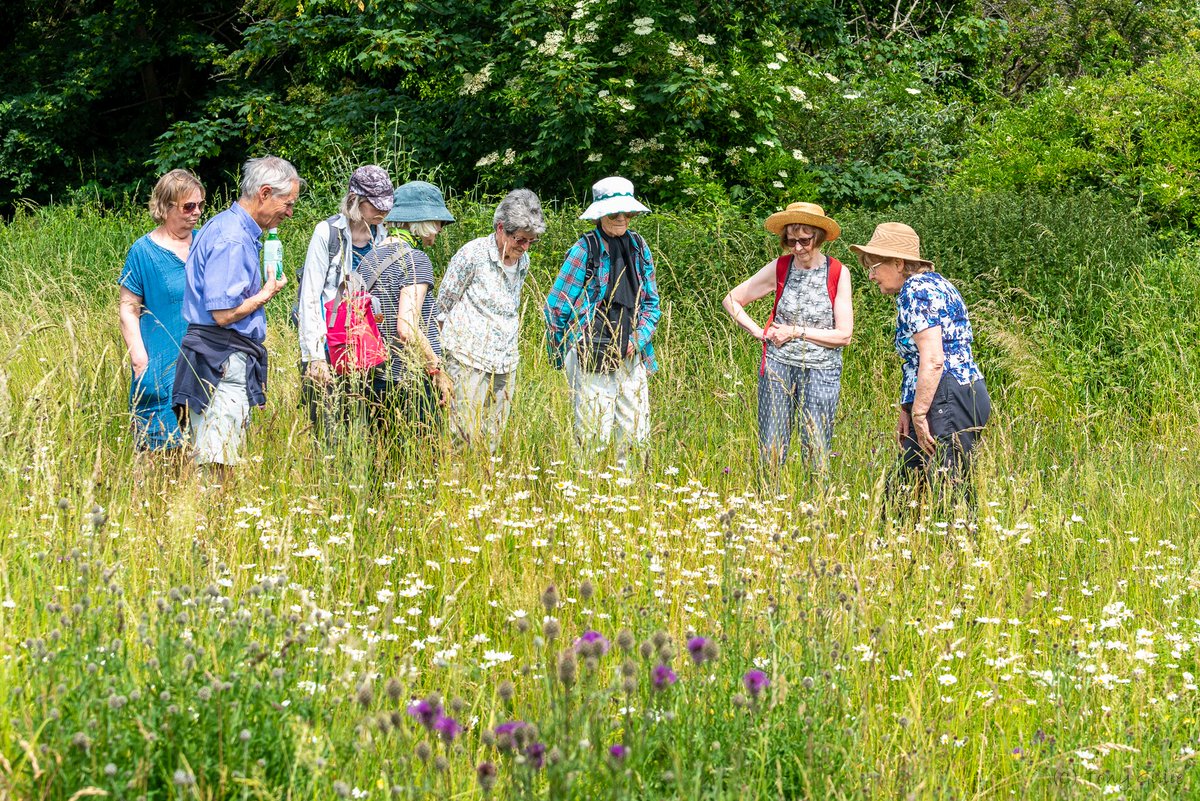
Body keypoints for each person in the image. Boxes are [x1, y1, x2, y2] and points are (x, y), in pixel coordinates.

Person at [172, 155, 301, 470]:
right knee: (218, 464)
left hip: (216, 355)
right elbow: (224, 314)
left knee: (213, 458)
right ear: (265, 193)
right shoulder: (233, 238)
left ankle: (206, 517)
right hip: (221, 357)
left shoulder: (226, 226)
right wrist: (267, 292)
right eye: (287, 203)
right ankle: (209, 519)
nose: (290, 212)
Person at [851, 222, 991, 503]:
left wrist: (920, 413)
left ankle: (959, 546)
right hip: (957, 392)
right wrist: (908, 408)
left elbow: (934, 359)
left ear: (898, 263)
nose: (871, 276)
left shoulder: (915, 291)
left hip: (945, 396)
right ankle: (896, 544)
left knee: (951, 492)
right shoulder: (937, 283)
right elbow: (918, 361)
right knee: (906, 487)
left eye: (874, 266)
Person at [722, 202, 852, 468]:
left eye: (805, 241)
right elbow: (731, 300)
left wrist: (796, 332)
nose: (798, 248)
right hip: (778, 368)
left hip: (822, 370)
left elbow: (844, 335)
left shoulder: (837, 272)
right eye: (791, 241)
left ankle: (816, 505)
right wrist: (759, 332)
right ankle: (768, 501)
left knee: (816, 448)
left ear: (819, 237)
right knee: (771, 445)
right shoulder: (781, 267)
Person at [544, 176, 661, 460]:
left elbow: (651, 302)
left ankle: (630, 493)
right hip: (591, 348)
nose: (621, 218)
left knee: (636, 434)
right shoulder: (584, 250)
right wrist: (557, 353)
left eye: (627, 212)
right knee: (593, 434)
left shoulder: (639, 246)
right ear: (600, 214)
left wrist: (638, 338)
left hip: (632, 351)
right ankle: (585, 493)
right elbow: (557, 307)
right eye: (614, 213)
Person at [438, 189, 545, 452]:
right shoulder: (471, 254)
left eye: (531, 241)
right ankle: (457, 487)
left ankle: (485, 486)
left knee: (493, 436)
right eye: (520, 239)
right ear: (501, 229)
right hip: (467, 357)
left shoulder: (523, 259)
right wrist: (440, 362)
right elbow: (442, 306)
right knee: (462, 435)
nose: (525, 247)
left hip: (506, 360)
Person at [296, 165, 394, 442]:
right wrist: (314, 356)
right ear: (355, 200)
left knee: (368, 429)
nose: (382, 212)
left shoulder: (384, 236)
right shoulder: (327, 233)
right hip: (331, 345)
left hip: (370, 346)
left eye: (385, 205)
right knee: (330, 429)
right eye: (375, 205)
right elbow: (310, 296)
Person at [356, 180, 455, 436]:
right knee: (420, 467)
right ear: (422, 223)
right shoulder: (416, 259)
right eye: (438, 222)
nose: (440, 230)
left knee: (382, 466)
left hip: (372, 380)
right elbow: (407, 327)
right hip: (408, 381)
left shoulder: (370, 258)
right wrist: (436, 369)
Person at [118, 169, 205, 452]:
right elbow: (128, 309)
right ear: (165, 207)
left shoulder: (206, 244)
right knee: (160, 458)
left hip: (205, 364)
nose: (197, 213)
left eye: (201, 205)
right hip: (161, 366)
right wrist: (140, 361)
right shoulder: (143, 251)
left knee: (204, 455)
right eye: (188, 206)